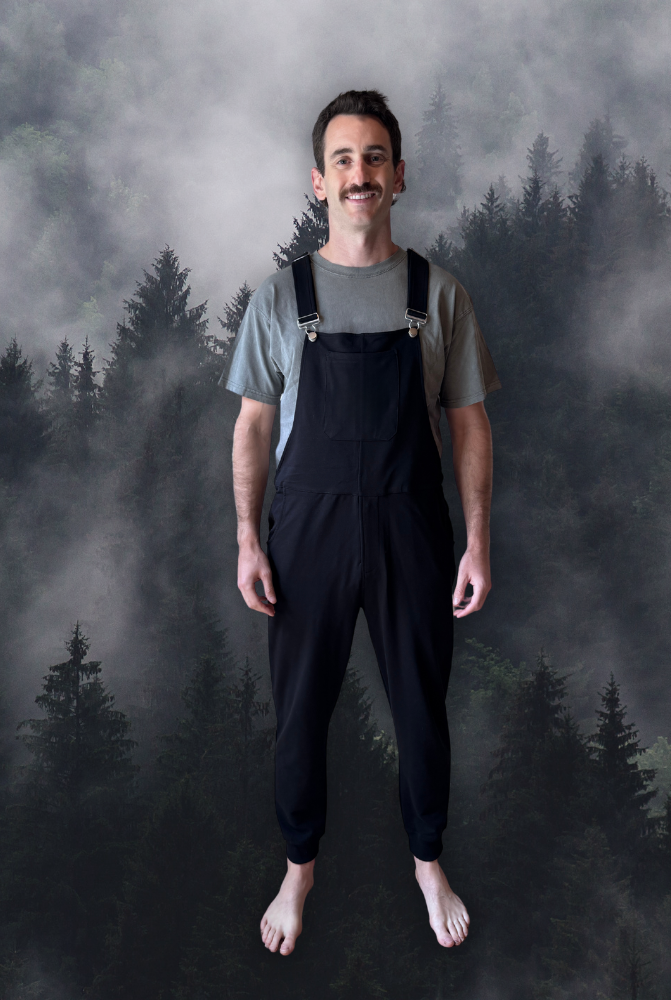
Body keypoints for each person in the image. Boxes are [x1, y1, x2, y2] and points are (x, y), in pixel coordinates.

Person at [218, 89, 500, 957]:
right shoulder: (281, 296)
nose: (359, 174)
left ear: (400, 176)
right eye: (343, 159)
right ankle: (299, 865)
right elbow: (255, 426)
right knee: (299, 711)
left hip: (413, 526)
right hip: (305, 530)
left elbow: (469, 424)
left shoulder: (437, 293)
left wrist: (478, 542)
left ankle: (427, 858)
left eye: (374, 157)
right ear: (318, 181)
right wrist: (248, 538)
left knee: (422, 709)